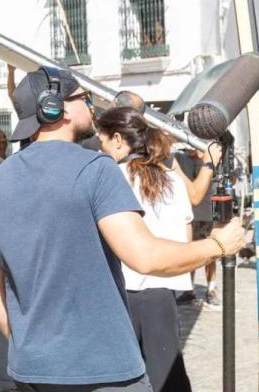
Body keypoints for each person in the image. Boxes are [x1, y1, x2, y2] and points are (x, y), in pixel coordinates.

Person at [0, 66, 246, 391]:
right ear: (53, 106)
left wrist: (26, 346)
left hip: (31, 370)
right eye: (82, 98)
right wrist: (217, 245)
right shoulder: (96, 170)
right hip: (103, 371)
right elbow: (145, 257)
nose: (89, 106)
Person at [97, 107, 194, 392]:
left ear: (117, 139)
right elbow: (185, 239)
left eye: (102, 140)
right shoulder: (172, 180)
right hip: (163, 291)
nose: (100, 148)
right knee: (169, 379)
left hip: (120, 292)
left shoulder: (108, 177)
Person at [173, 145, 218, 306]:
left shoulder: (206, 160)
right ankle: (188, 290)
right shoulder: (179, 158)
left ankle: (211, 289)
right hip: (188, 213)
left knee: (210, 255)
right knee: (189, 251)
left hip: (206, 212)